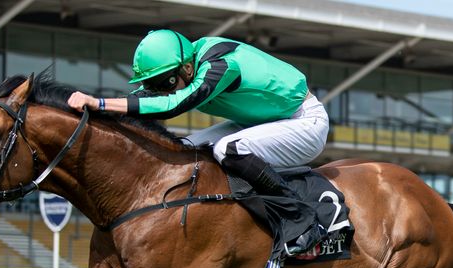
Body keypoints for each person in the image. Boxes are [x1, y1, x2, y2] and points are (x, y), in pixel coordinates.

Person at [67, 29, 329, 254]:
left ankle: (300, 217)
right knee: (183, 149)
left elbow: (175, 104)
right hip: (260, 121)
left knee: (230, 149)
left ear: (187, 68)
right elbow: (145, 99)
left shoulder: (222, 65)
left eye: (165, 83)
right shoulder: (185, 64)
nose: (161, 91)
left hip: (304, 122)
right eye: (154, 85)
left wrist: (99, 102)